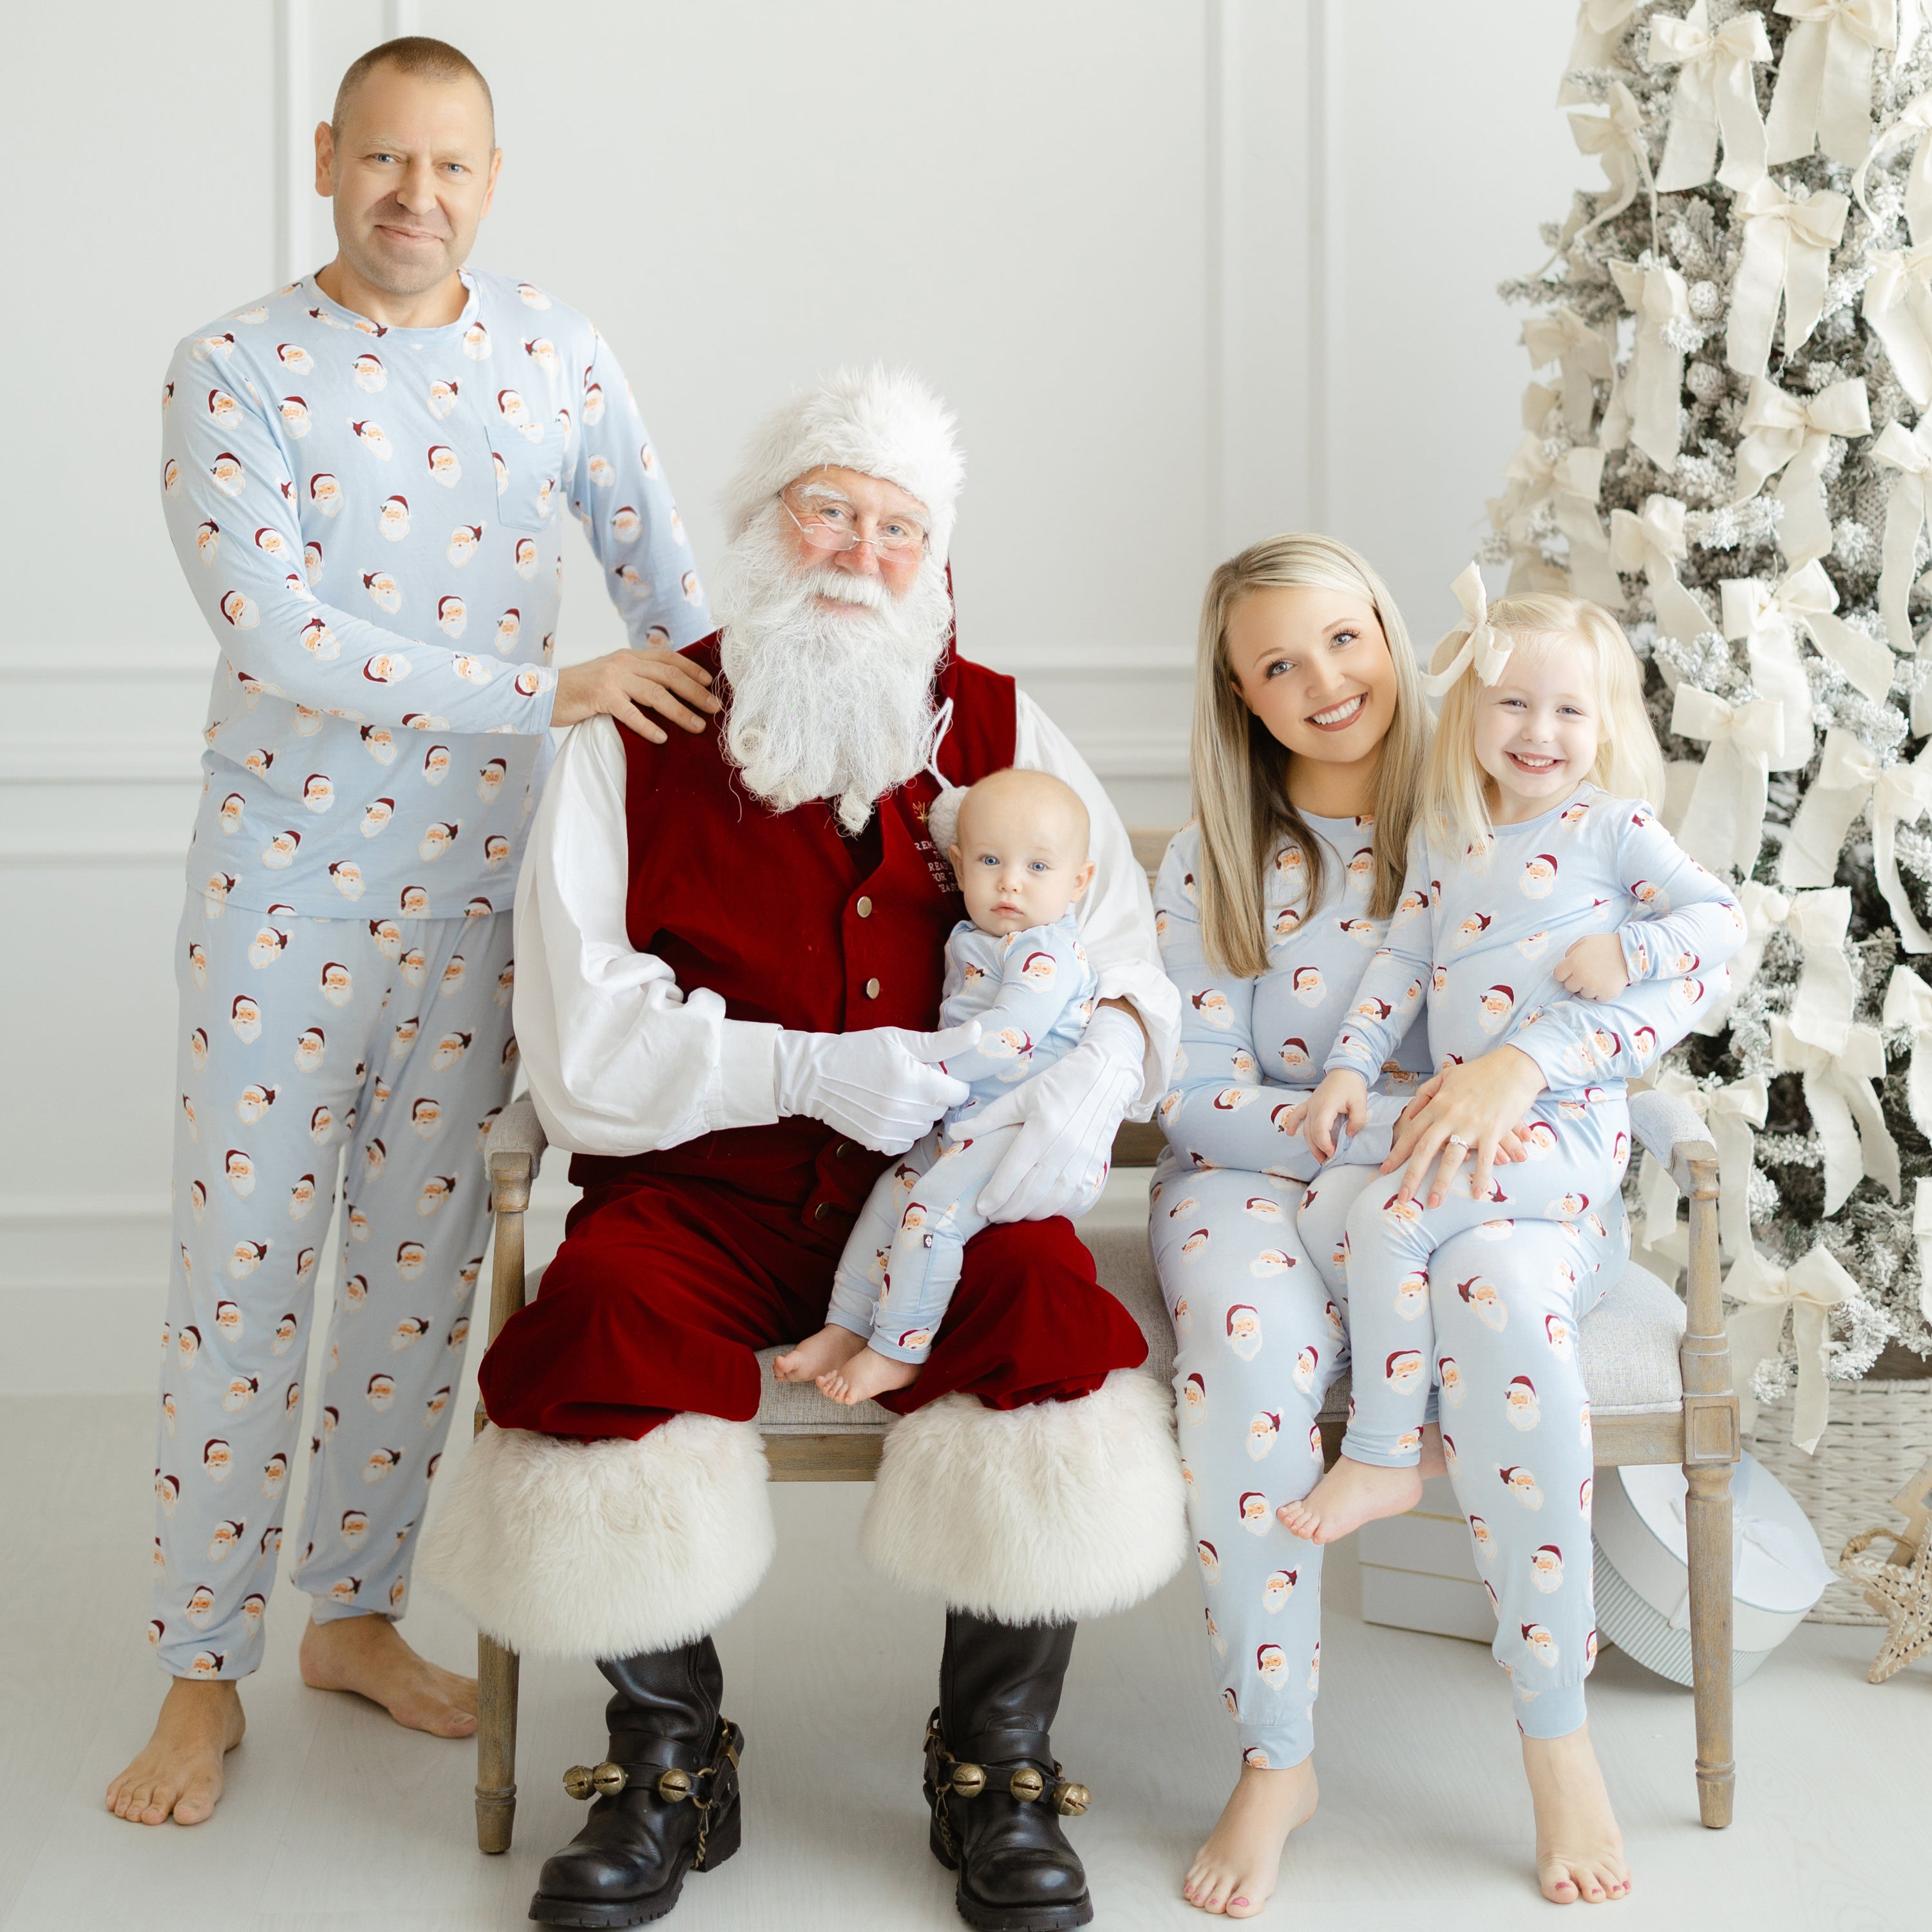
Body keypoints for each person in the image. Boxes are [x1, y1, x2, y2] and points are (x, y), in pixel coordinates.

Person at [421, 366, 1186, 1931]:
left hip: (939, 1199)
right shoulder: (642, 725)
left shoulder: (1000, 720)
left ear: (938, 559)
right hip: (699, 1187)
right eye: (826, 507)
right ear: (761, 529)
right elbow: (579, 1025)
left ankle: (995, 1761)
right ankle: (668, 1759)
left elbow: (1122, 949)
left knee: (1048, 1320)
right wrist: (808, 1071)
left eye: (896, 525)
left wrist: (1092, 1063)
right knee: (594, 1325)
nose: (857, 549)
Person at [109, 35, 718, 1830]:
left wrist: (861, 703)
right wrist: (555, 683)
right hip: (282, 901)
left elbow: (674, 600)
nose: (414, 198)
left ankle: (351, 1618)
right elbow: (281, 635)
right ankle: (196, 1670)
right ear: (325, 158)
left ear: (492, 178)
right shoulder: (230, 371)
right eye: (383, 161)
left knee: (414, 1281)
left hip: (488, 903)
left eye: (448, 168)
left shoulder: (559, 350)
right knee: (242, 1276)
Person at [1150, 536, 1728, 1917]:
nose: (1323, 681)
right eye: (1277, 664)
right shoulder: (1212, 860)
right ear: (1238, 694)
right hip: (1262, 1179)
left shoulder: (1506, 814)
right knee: (1248, 1355)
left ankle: (1555, 1732)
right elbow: (1196, 1089)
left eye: (1343, 640)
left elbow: (1656, 987)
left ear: (1398, 640)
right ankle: (1276, 1753)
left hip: (1501, 1169)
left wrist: (1517, 1075)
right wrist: (1393, 1125)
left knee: (1510, 1312)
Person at [1285, 584, 1743, 1562]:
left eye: (1570, 710)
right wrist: (1350, 1069)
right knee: (1327, 1206)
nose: (1540, 732)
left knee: (1389, 1216)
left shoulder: (1612, 829)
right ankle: (1451, 1399)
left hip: (1566, 1129)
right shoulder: (1448, 836)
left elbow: (1720, 921)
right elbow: (1401, 964)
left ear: (1605, 725)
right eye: (1513, 704)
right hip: (1466, 1119)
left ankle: (1384, 1449)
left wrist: (1632, 957)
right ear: (1472, 713)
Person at [777, 766, 1104, 1405]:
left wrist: (919, 1066)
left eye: (1038, 868)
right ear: (957, 864)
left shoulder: (1047, 951)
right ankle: (847, 1325)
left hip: (1020, 1132)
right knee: (891, 1195)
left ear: (1078, 882)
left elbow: (1014, 1031)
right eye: (990, 860)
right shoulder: (974, 937)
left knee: (932, 1214)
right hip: (963, 1123)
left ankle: (898, 1349)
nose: (1010, 880)